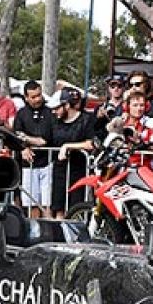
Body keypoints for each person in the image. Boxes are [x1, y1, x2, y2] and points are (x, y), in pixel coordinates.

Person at [43, 88, 97, 219]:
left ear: (66, 105)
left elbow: (91, 143)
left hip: (79, 171)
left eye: (56, 108)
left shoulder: (86, 119)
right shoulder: (54, 121)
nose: (53, 111)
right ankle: (58, 236)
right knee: (58, 207)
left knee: (76, 208)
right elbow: (45, 140)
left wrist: (68, 146)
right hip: (60, 170)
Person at [12, 81, 53, 215]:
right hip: (28, 164)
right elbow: (17, 135)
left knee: (47, 204)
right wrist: (24, 147)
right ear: (26, 97)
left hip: (48, 163)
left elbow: (45, 140)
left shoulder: (49, 112)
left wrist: (27, 138)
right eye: (34, 97)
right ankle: (34, 232)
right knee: (32, 204)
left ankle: (49, 233)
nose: (38, 99)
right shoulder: (22, 114)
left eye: (39, 95)